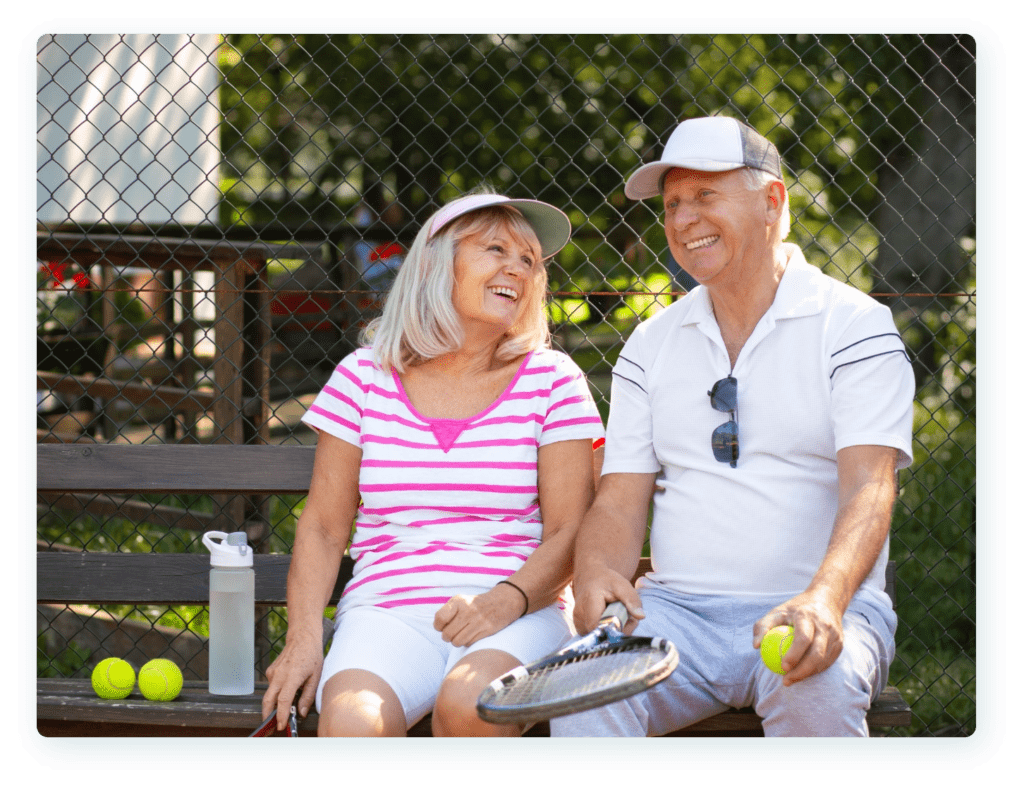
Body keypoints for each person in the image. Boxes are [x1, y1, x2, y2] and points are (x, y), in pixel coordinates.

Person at [551, 116, 915, 738]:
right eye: (671, 205)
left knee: (816, 694)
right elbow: (617, 499)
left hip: (823, 607)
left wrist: (824, 599)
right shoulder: (650, 342)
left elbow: (871, 489)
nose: (683, 219)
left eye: (705, 196)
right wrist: (596, 574)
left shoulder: (855, 326)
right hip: (675, 615)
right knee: (585, 691)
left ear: (772, 201)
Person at [261, 191, 604, 737]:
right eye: (496, 249)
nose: (516, 268)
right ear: (436, 263)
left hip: (517, 611)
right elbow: (325, 527)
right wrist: (304, 640)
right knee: (351, 724)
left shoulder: (552, 380)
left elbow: (572, 529)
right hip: (387, 611)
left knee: (472, 705)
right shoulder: (362, 378)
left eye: (529, 260)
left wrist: (504, 601)